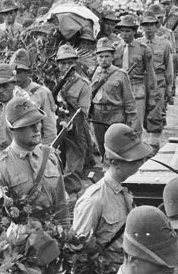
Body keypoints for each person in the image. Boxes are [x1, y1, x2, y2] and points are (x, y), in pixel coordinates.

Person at [71, 124, 152, 274]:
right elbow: (77, 258)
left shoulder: (136, 188)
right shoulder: (94, 200)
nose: (141, 165)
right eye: (134, 161)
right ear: (113, 162)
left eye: (142, 159)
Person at [0, 95, 70, 228]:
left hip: (54, 239)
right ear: (11, 129)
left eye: (37, 121)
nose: (36, 128)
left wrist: (67, 236)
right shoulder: (0, 167)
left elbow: (62, 206)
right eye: (27, 125)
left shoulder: (50, 156)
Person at [52, 44, 95, 189]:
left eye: (70, 62)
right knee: (56, 161)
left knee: (73, 164)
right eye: (63, 63)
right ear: (58, 64)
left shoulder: (83, 84)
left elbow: (83, 112)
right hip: (56, 127)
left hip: (75, 128)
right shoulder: (52, 81)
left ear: (75, 64)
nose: (66, 66)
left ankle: (72, 195)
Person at [90, 37, 137, 149]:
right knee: (101, 144)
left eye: (107, 56)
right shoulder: (94, 72)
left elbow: (129, 99)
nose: (104, 59)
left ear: (112, 57)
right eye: (101, 57)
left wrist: (130, 118)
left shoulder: (121, 74)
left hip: (115, 114)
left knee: (115, 145)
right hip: (97, 114)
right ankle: (104, 165)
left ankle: (113, 166)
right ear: (97, 58)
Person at [115, 13, 156, 128]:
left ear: (134, 32)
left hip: (136, 90)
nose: (124, 34)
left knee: (136, 126)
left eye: (128, 31)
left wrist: (152, 96)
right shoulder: (115, 49)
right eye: (122, 31)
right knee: (120, 125)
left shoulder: (143, 49)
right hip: (119, 91)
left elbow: (150, 74)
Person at [11, 48, 58, 146]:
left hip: (34, 146)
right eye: (13, 72)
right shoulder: (9, 90)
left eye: (19, 72)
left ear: (28, 72)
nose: (15, 76)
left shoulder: (41, 93)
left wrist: (44, 151)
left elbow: (50, 128)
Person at [140, 10, 173, 146]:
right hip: (141, 81)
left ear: (156, 26)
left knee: (155, 113)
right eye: (146, 25)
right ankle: (141, 145)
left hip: (159, 81)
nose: (149, 28)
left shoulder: (164, 44)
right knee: (140, 112)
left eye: (151, 25)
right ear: (142, 27)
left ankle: (154, 146)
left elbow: (169, 66)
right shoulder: (137, 44)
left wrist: (170, 87)